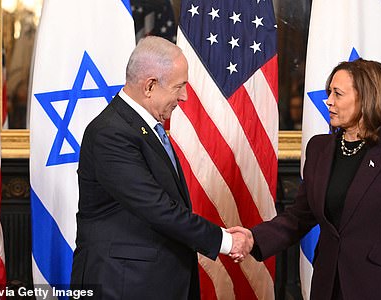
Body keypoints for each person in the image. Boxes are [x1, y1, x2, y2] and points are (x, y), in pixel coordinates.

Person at [230, 59, 381, 299]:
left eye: (337, 94)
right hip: (329, 287)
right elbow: (298, 217)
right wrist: (253, 238)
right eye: (329, 92)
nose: (328, 100)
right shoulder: (320, 148)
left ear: (367, 98)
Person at [70, 36, 252, 299]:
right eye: (179, 87)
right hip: (122, 284)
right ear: (150, 86)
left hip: (152, 282)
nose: (185, 96)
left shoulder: (143, 126)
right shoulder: (110, 133)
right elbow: (157, 208)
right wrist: (226, 241)